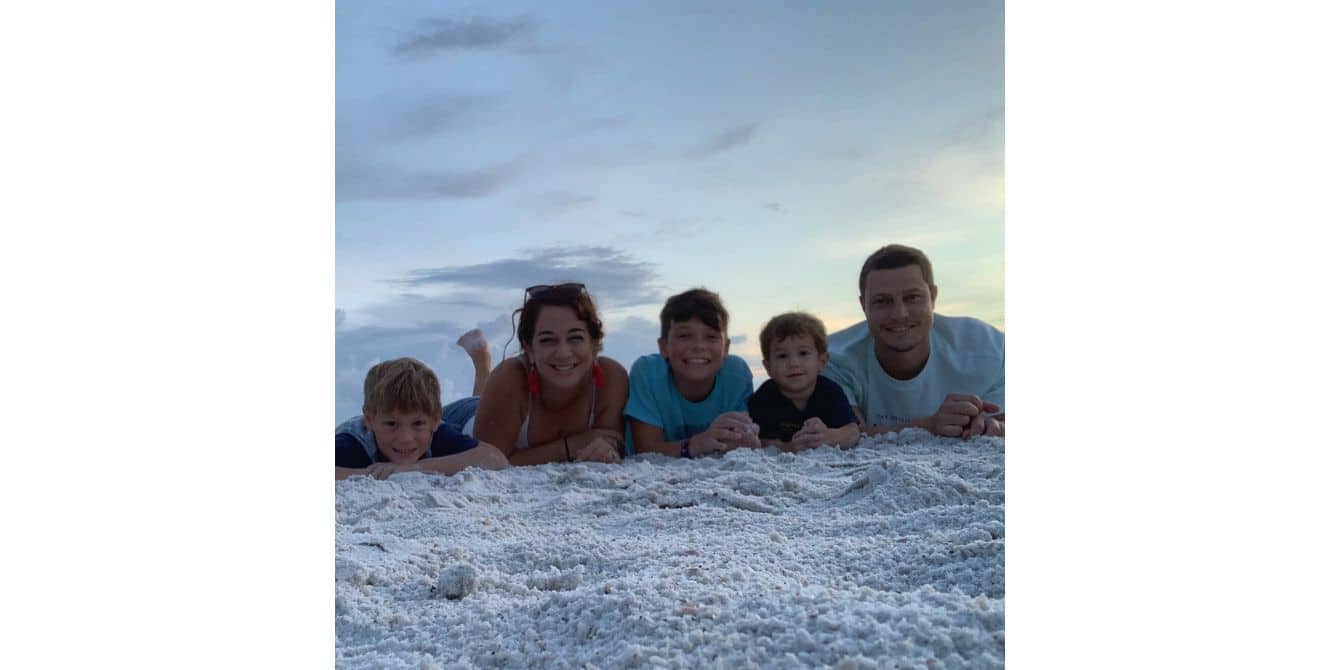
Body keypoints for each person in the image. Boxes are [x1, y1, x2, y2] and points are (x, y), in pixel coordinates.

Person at [823, 244, 1005, 438]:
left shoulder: (986, 347)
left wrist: (994, 423)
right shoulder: (832, 359)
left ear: (933, 297)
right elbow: (848, 434)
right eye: (882, 301)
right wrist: (930, 425)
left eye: (912, 297)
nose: (899, 314)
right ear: (863, 305)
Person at [464, 283, 629, 466]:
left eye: (575, 338)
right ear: (529, 348)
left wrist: (608, 446)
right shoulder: (509, 378)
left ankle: (481, 364)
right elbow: (492, 460)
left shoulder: (611, 378)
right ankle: (481, 362)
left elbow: (613, 440)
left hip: (497, 407)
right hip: (464, 418)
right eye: (547, 340)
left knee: (482, 397)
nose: (563, 353)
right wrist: (570, 447)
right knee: (478, 401)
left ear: (593, 342)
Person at [625, 288, 760, 458]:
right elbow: (645, 450)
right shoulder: (648, 373)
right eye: (684, 336)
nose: (698, 346)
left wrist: (746, 439)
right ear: (664, 347)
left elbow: (740, 440)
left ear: (726, 348)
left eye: (711, 337)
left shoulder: (736, 375)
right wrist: (697, 444)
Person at [335, 358, 508, 480]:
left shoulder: (437, 432)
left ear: (435, 421)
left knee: (477, 411)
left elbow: (495, 458)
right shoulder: (352, 443)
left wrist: (412, 469)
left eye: (417, 424)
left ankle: (482, 365)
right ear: (369, 420)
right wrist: (372, 475)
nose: (405, 438)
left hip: (462, 410)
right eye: (391, 424)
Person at [748, 312, 859, 451]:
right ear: (768, 367)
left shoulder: (831, 391)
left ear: (822, 361)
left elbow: (853, 431)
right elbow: (758, 441)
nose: (793, 363)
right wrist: (788, 447)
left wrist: (828, 437)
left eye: (803, 353)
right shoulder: (764, 398)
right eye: (782, 356)